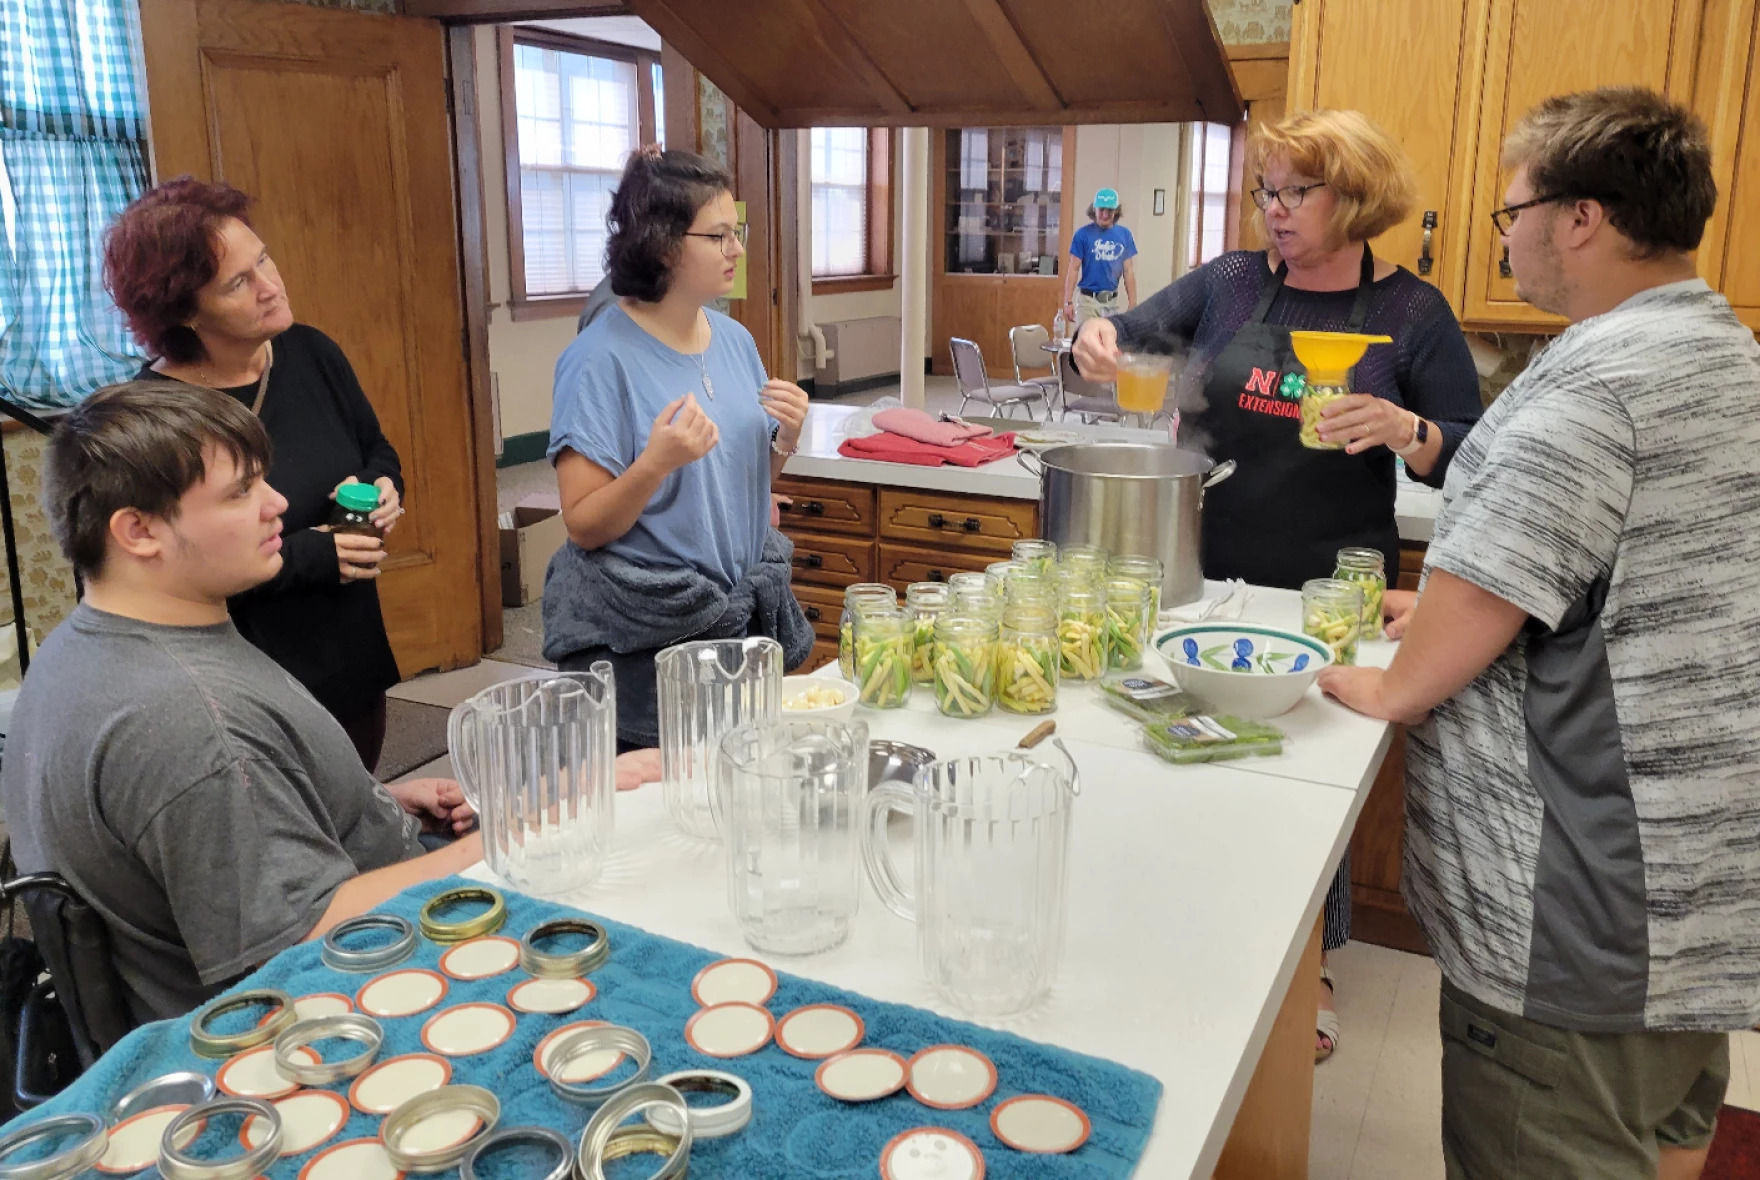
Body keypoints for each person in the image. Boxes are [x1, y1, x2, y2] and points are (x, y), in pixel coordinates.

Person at [1319, 87, 1760, 1180]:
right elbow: (1625, 575)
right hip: (1690, 888)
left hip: (1571, 915)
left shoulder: (1592, 386)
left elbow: (1473, 597)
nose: (1504, 233)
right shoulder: (1718, 350)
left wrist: (1389, 684)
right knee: (1661, 1132)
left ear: (1581, 218)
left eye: (1510, 209)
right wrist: (1468, 611)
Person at [1073, 108, 1485, 1062]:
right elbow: (1123, 339)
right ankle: (1200, 943)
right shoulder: (1227, 285)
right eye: (1268, 191)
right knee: (1204, 765)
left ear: (1357, 197)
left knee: (1305, 786)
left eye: (1299, 192)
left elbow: (1473, 455)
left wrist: (1407, 430)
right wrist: (1098, 338)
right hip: (1210, 581)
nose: (1276, 211)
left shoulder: (1410, 313)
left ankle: (1310, 964)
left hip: (1334, 598)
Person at [103, 178, 405, 771]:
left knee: (361, 810)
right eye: (239, 283)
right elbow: (172, 575)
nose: (271, 286)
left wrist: (384, 486)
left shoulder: (312, 352)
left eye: (263, 258)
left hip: (347, 641)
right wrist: (312, 558)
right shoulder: (159, 419)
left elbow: (376, 450)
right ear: (185, 312)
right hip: (252, 669)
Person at [544, 147, 814, 750]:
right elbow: (585, 524)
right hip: (650, 640)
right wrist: (654, 464)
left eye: (736, 232)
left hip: (736, 630)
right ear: (663, 245)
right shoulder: (597, 360)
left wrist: (786, 441)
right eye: (718, 236)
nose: (737, 250)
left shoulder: (737, 340)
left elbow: (745, 479)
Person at [1062, 188, 1138, 325]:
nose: (1105, 214)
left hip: (1111, 303)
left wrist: (1133, 303)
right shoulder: (1082, 235)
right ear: (1094, 210)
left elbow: (1128, 271)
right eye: (1101, 210)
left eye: (1109, 210)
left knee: (1107, 344)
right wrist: (1068, 301)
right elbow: (1073, 269)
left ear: (1116, 211)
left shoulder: (1125, 235)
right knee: (1086, 343)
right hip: (1088, 302)